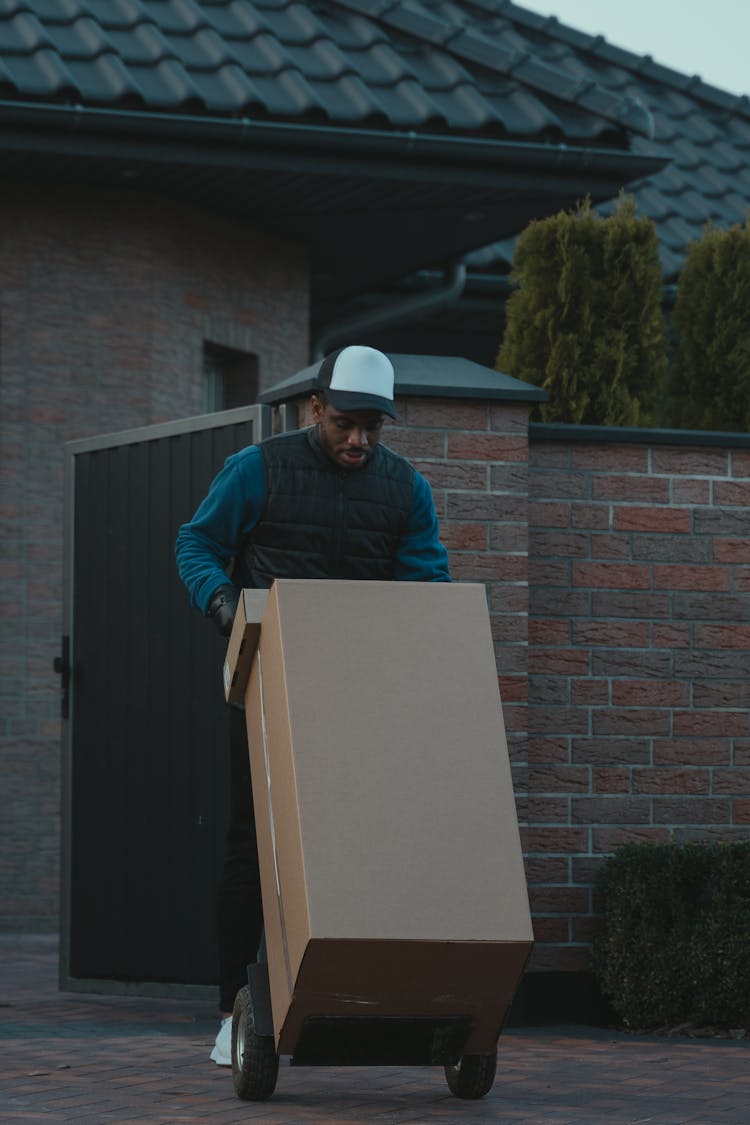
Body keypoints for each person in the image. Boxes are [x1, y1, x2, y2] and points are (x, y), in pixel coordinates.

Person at [175, 344, 450, 1065]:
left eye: (374, 428)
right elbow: (195, 543)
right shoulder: (259, 469)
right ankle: (235, 1012)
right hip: (269, 685)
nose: (361, 440)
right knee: (254, 848)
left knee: (357, 847)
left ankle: (347, 998)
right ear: (314, 409)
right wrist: (223, 601)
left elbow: (427, 582)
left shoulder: (405, 489)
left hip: (362, 697)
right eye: (347, 424)